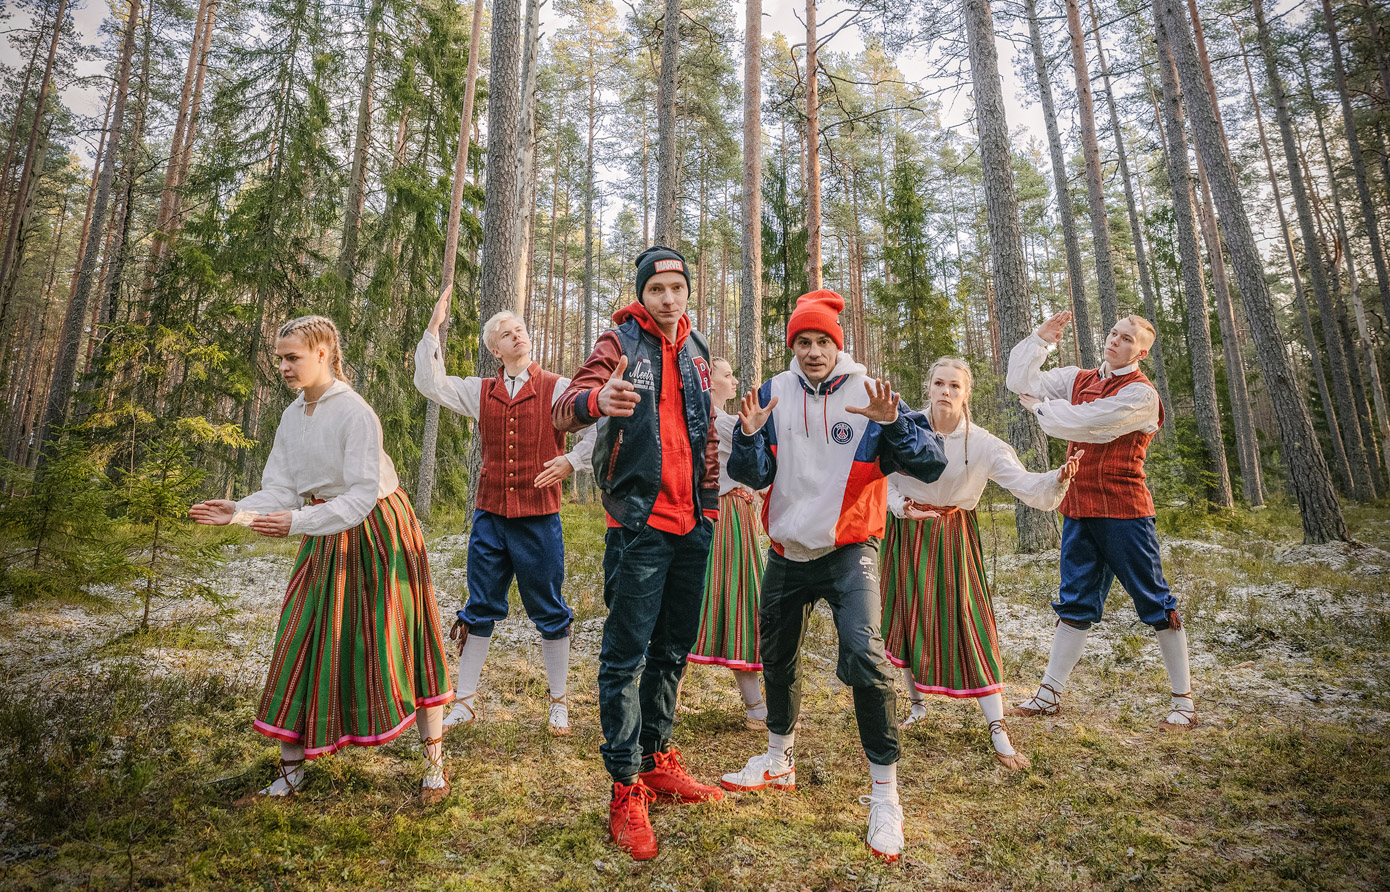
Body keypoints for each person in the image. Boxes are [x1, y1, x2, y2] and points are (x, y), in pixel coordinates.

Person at [717, 290, 948, 865]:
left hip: (849, 548)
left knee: (866, 659)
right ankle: (778, 759)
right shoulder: (774, 391)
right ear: (791, 346)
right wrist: (747, 438)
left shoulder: (870, 392)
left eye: (823, 341)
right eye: (803, 341)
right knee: (776, 654)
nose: (813, 351)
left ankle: (885, 795)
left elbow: (931, 463)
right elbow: (754, 474)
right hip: (787, 550)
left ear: (837, 345)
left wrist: (894, 423)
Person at [190, 315, 454, 805]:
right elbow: (283, 488)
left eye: (293, 357)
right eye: (281, 359)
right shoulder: (293, 416)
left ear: (324, 354)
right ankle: (290, 774)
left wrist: (294, 523)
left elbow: (358, 499)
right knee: (303, 634)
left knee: (401, 639)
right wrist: (239, 512)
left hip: (380, 532)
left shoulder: (355, 413)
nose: (285, 367)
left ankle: (433, 768)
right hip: (321, 529)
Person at [553, 245, 724, 861]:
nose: (669, 298)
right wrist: (599, 401)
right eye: (658, 289)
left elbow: (704, 429)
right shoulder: (620, 343)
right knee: (625, 656)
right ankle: (625, 787)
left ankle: (656, 759)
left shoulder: (698, 350)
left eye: (678, 288)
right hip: (640, 525)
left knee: (674, 647)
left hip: (695, 522)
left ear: (687, 292)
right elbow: (568, 403)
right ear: (643, 294)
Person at [882, 357, 1082, 771]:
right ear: (929, 386)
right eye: (939, 383)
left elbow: (1025, 483)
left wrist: (1056, 477)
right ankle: (917, 707)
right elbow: (878, 481)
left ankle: (997, 728)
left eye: (955, 386)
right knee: (907, 615)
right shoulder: (904, 427)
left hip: (953, 535)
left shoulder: (983, 442)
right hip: (906, 532)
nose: (946, 391)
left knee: (970, 622)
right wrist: (901, 507)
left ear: (966, 393)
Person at [413, 294, 596, 736]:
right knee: (480, 607)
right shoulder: (482, 390)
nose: (519, 335)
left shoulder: (558, 386)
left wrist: (572, 462)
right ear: (495, 350)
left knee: (550, 609)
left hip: (538, 517)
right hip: (490, 516)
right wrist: (432, 331)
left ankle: (558, 703)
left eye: (521, 329)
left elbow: (601, 422)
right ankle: (467, 702)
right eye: (507, 333)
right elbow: (431, 384)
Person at [1005, 311, 1196, 731]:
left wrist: (1040, 409)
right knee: (1075, 602)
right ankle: (1049, 694)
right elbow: (1019, 382)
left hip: (1124, 509)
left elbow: (1089, 424)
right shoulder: (1078, 378)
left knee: (1154, 601)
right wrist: (1041, 338)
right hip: (1078, 505)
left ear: (1141, 352)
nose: (1115, 341)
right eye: (1113, 334)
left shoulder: (1141, 395)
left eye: (1127, 339)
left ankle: (1183, 701)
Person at [687, 358, 768, 731]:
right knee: (734, 599)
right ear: (709, 382)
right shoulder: (718, 420)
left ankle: (663, 697)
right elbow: (754, 443)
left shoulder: (719, 420)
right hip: (724, 518)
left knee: (718, 601)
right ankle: (755, 708)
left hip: (736, 515)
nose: (734, 379)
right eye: (727, 375)